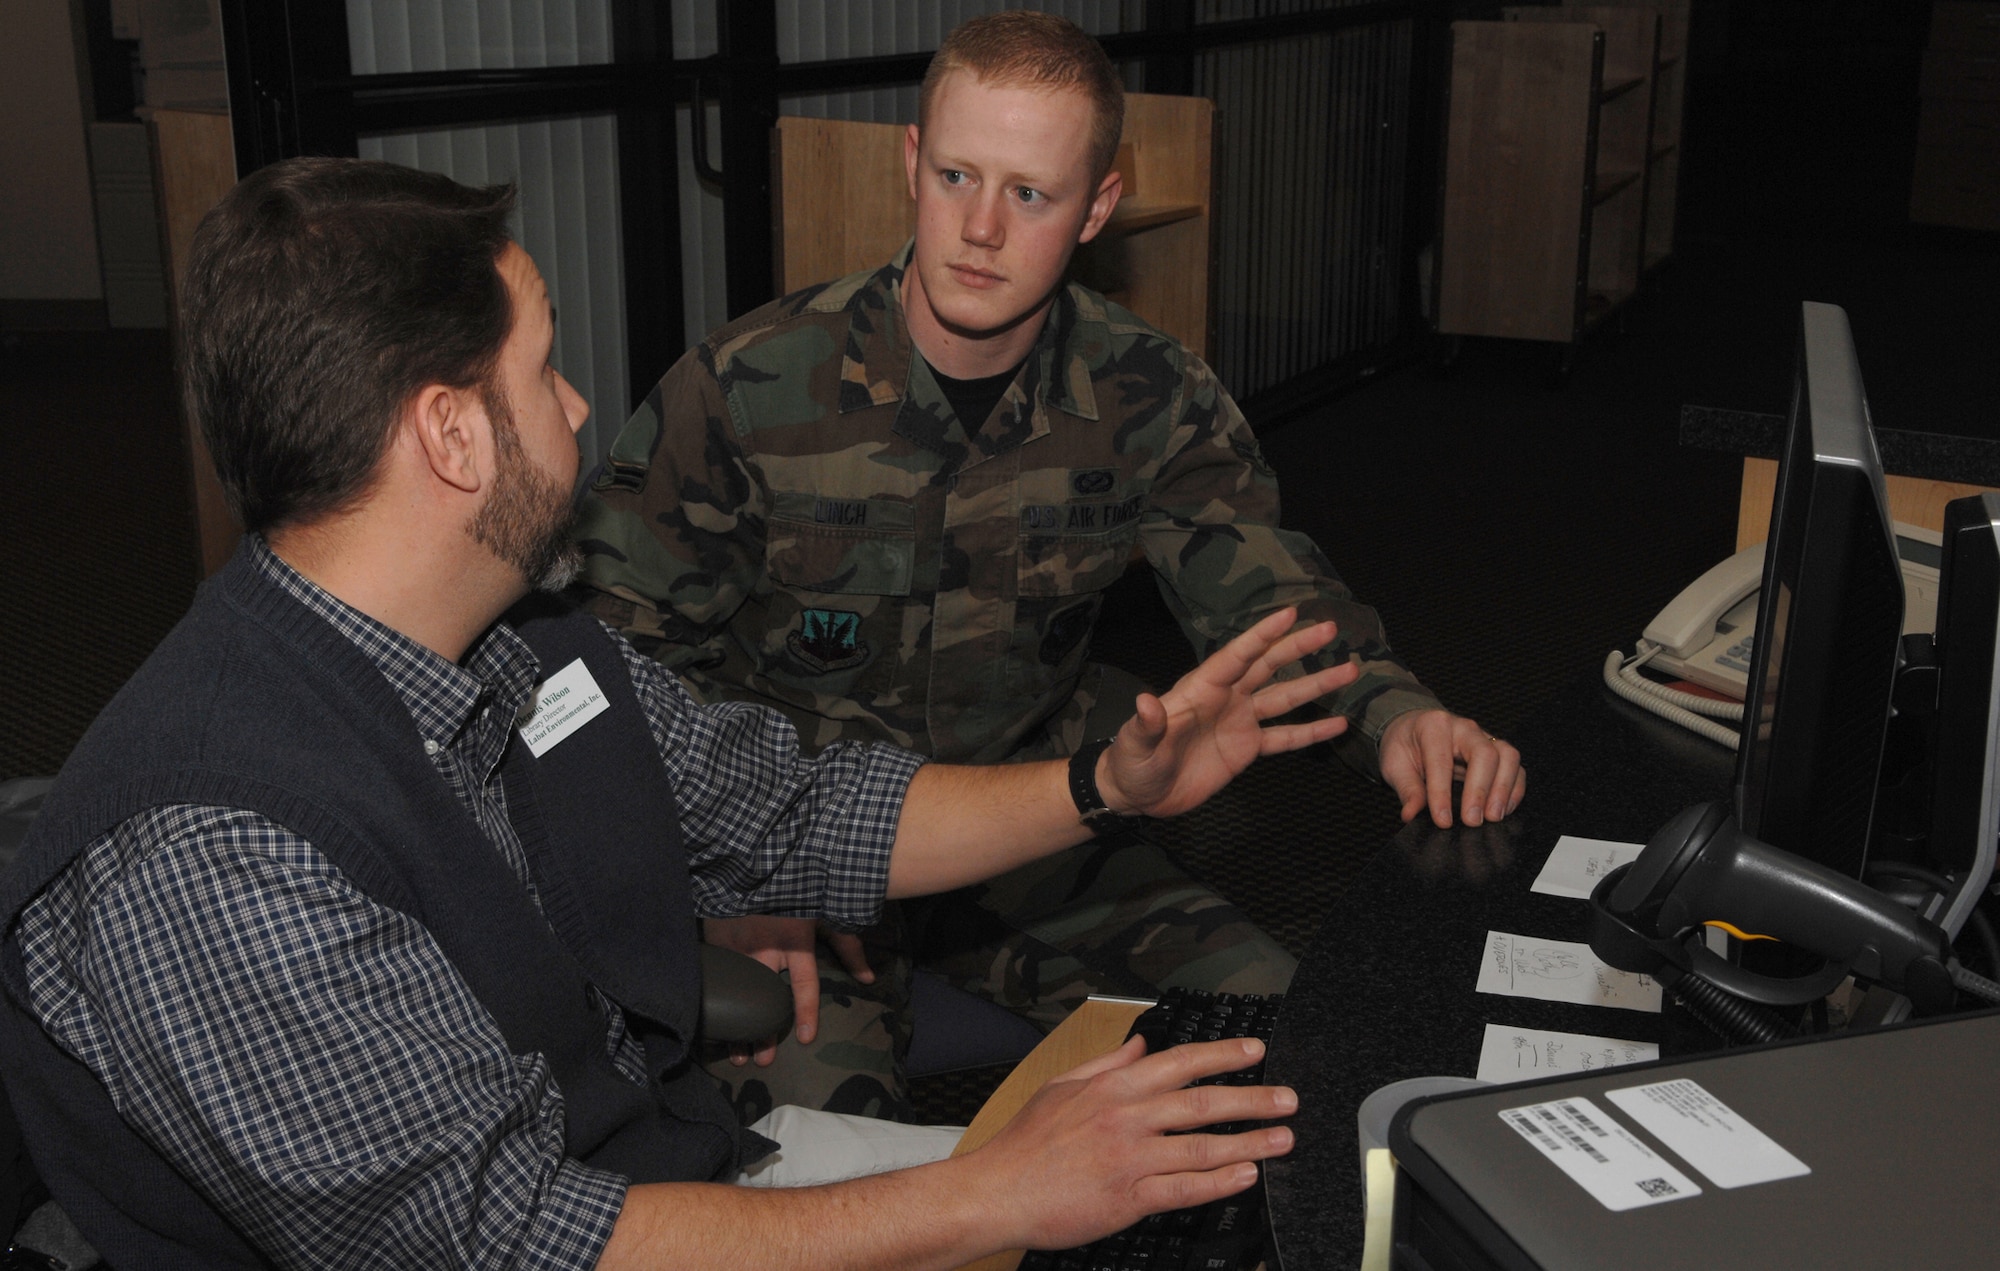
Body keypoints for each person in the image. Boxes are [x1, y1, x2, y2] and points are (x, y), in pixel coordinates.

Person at [0, 157, 1352, 1270]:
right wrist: (1000, 1193)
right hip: (575, 1239)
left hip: (663, 1166)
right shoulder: (219, 851)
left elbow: (794, 805)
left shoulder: (522, 647)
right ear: (453, 436)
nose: (581, 405)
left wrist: (1102, 787)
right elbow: (505, 1238)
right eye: (543, 371)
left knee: (1208, 1190)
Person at [575, 10, 1526, 1120]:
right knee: (808, 1159)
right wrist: (714, 876)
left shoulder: (1147, 394)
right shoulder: (746, 388)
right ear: (909, 165)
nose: (979, 228)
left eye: (1029, 193)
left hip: (1030, 829)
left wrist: (1396, 714)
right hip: (802, 865)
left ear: (1097, 208)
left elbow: (1270, 596)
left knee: (1286, 1040)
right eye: (955, 176)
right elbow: (606, 666)